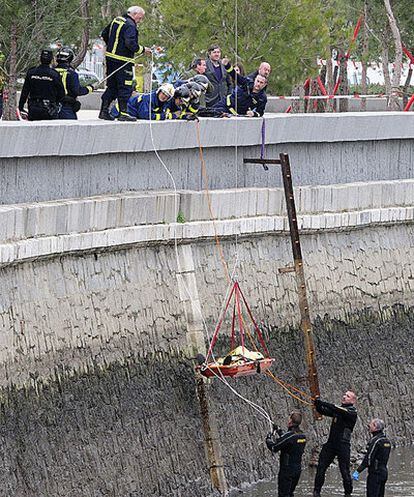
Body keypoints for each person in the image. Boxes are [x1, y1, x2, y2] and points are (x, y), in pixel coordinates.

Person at [99, 5, 151, 121]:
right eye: (140, 18)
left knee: (112, 86)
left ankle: (104, 111)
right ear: (134, 14)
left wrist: (111, 47)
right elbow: (130, 43)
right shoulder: (130, 25)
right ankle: (123, 113)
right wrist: (143, 50)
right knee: (125, 86)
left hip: (110, 59)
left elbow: (104, 34)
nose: (140, 20)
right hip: (123, 61)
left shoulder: (116, 20)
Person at [313, 391, 358, 497]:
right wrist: (318, 405)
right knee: (321, 467)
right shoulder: (338, 410)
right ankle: (316, 491)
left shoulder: (351, 411)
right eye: (344, 394)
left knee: (344, 470)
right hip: (331, 443)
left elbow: (334, 407)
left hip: (343, 445)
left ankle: (348, 493)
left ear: (353, 400)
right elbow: (324, 411)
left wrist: (322, 402)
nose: (344, 396)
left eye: (347, 396)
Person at [265, 412, 307, 497]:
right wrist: (279, 430)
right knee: (290, 494)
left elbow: (274, 447)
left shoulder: (290, 436)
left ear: (290, 422)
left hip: (287, 471)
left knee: (283, 494)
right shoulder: (302, 436)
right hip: (297, 470)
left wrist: (268, 439)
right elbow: (288, 440)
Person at [18, 49, 65, 121]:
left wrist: (21, 106)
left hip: (34, 108)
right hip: (49, 109)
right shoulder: (54, 74)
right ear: (51, 60)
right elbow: (61, 93)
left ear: (40, 59)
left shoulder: (31, 72)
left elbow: (25, 91)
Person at [352, 418, 391, 497]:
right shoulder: (387, 441)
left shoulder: (375, 441)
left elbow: (368, 459)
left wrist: (358, 471)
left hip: (375, 474)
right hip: (384, 473)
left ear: (375, 426)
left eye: (371, 424)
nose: (368, 426)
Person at [54, 47, 95, 119]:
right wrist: (90, 88)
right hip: (66, 108)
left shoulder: (51, 72)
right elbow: (77, 91)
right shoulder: (72, 74)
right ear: (70, 58)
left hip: (51, 107)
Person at [110, 83, 175, 120]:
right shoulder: (148, 98)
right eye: (163, 93)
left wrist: (172, 115)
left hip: (130, 114)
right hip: (118, 112)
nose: (164, 97)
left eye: (167, 96)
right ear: (159, 91)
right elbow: (144, 115)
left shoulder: (163, 102)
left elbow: (163, 113)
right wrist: (161, 117)